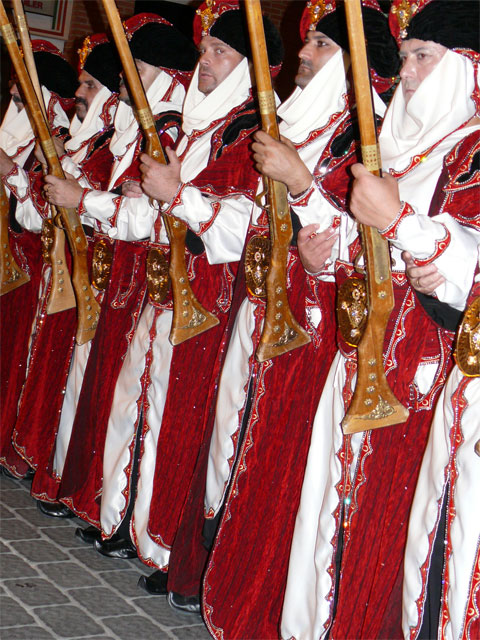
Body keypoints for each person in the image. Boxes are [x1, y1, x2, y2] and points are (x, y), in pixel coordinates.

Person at [185, 1, 397, 638]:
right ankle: (225, 576)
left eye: (323, 46)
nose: (303, 55)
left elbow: (358, 236)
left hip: (319, 326)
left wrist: (301, 192)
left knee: (288, 472)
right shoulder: (296, 124)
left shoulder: (359, 135)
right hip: (264, 307)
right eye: (307, 43)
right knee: (239, 441)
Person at [281, 1, 480, 638]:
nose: (410, 72)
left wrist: (405, 229)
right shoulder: (405, 144)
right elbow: (366, 242)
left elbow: (455, 249)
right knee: (336, 516)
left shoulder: (471, 150)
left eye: (426, 56)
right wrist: (315, 223)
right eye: (407, 56)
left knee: (395, 535)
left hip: (422, 374)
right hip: (368, 352)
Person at [82, 0, 281, 583]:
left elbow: (242, 225)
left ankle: (167, 545)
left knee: (182, 421)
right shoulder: (195, 127)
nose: (208, 63)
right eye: (205, 52)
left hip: (211, 300)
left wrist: (178, 196)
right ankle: (124, 520)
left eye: (221, 52)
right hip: (165, 287)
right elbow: (150, 208)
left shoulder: (249, 130)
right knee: (136, 403)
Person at [44, 13, 197, 545]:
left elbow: (145, 216)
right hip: (117, 278)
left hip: (150, 279)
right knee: (113, 395)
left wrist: (88, 200)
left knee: (138, 401)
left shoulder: (171, 126)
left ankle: (129, 521)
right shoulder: (125, 131)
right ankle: (103, 503)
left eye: (140, 66)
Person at [9, 34, 121, 517]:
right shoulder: (83, 142)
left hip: (88, 277)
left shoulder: (103, 146)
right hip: (58, 271)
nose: (82, 95)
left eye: (91, 86)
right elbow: (38, 212)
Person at [0, 40, 77, 478]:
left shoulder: (57, 142)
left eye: (21, 98)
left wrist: (10, 171)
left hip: (36, 263)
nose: (14, 105)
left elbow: (36, 214)